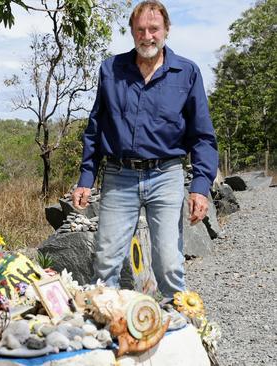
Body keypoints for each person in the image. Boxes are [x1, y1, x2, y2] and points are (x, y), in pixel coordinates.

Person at [72, 0, 218, 300]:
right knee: (105, 262)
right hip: (118, 176)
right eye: (140, 30)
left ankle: (178, 331)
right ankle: (105, 335)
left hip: (167, 176)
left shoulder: (187, 72)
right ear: (131, 32)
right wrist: (86, 179)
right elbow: (95, 128)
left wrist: (200, 187)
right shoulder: (111, 70)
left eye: (154, 29)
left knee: (169, 265)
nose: (147, 36)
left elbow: (202, 136)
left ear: (166, 30)